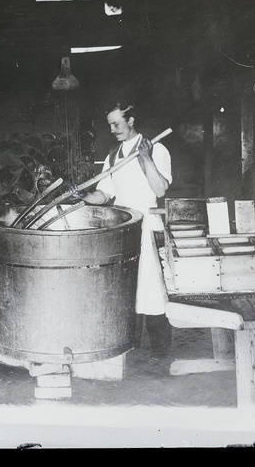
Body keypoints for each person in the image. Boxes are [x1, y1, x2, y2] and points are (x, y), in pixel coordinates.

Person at [70, 101, 173, 358]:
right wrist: (82, 194)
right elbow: (105, 194)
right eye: (110, 125)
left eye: (117, 123)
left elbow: (160, 189)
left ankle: (161, 355)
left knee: (152, 289)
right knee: (128, 289)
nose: (113, 129)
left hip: (148, 226)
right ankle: (129, 351)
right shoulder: (113, 155)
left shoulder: (157, 148)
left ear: (131, 120)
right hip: (124, 229)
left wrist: (146, 158)